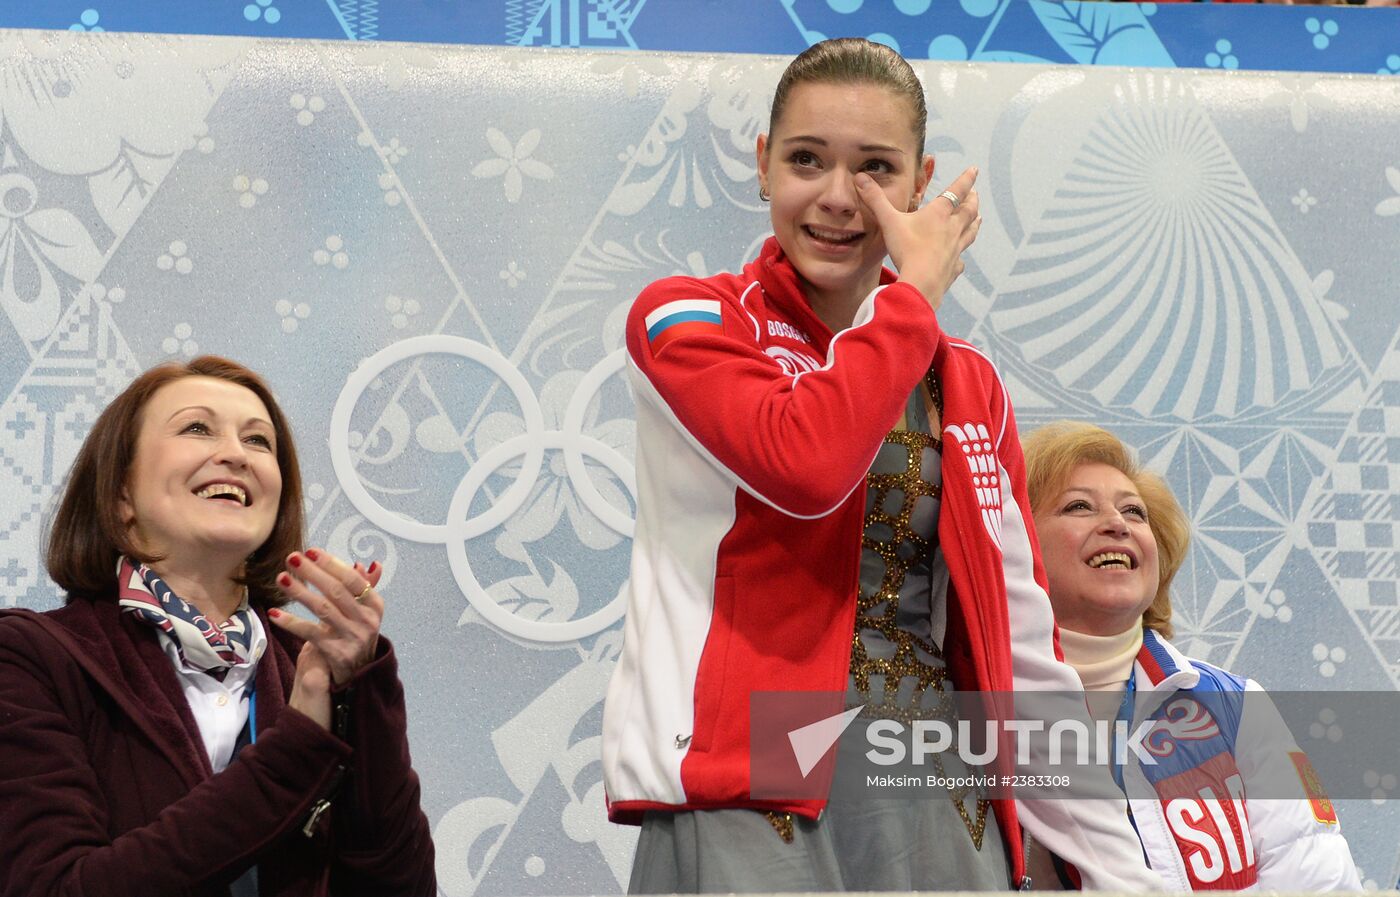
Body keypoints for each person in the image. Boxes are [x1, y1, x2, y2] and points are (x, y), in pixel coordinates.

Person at [601, 37, 1162, 892]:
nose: (836, 197)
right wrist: (914, 297)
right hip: (752, 775)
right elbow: (807, 464)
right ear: (761, 165)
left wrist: (1132, 874)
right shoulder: (687, 318)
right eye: (805, 160)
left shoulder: (968, 382)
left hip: (930, 776)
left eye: (873, 169)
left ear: (917, 181)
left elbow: (1019, 646)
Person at [0, 356, 435, 897]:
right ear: (122, 494)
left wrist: (365, 687)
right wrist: (296, 746)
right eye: (197, 428)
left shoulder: (310, 667)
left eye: (259, 442)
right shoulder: (31, 656)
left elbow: (397, 885)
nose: (235, 454)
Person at [1022, 420, 1361, 891]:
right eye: (1078, 506)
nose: (1117, 524)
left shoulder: (1235, 705)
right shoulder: (968, 710)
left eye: (1134, 513)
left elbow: (1319, 881)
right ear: (1016, 549)